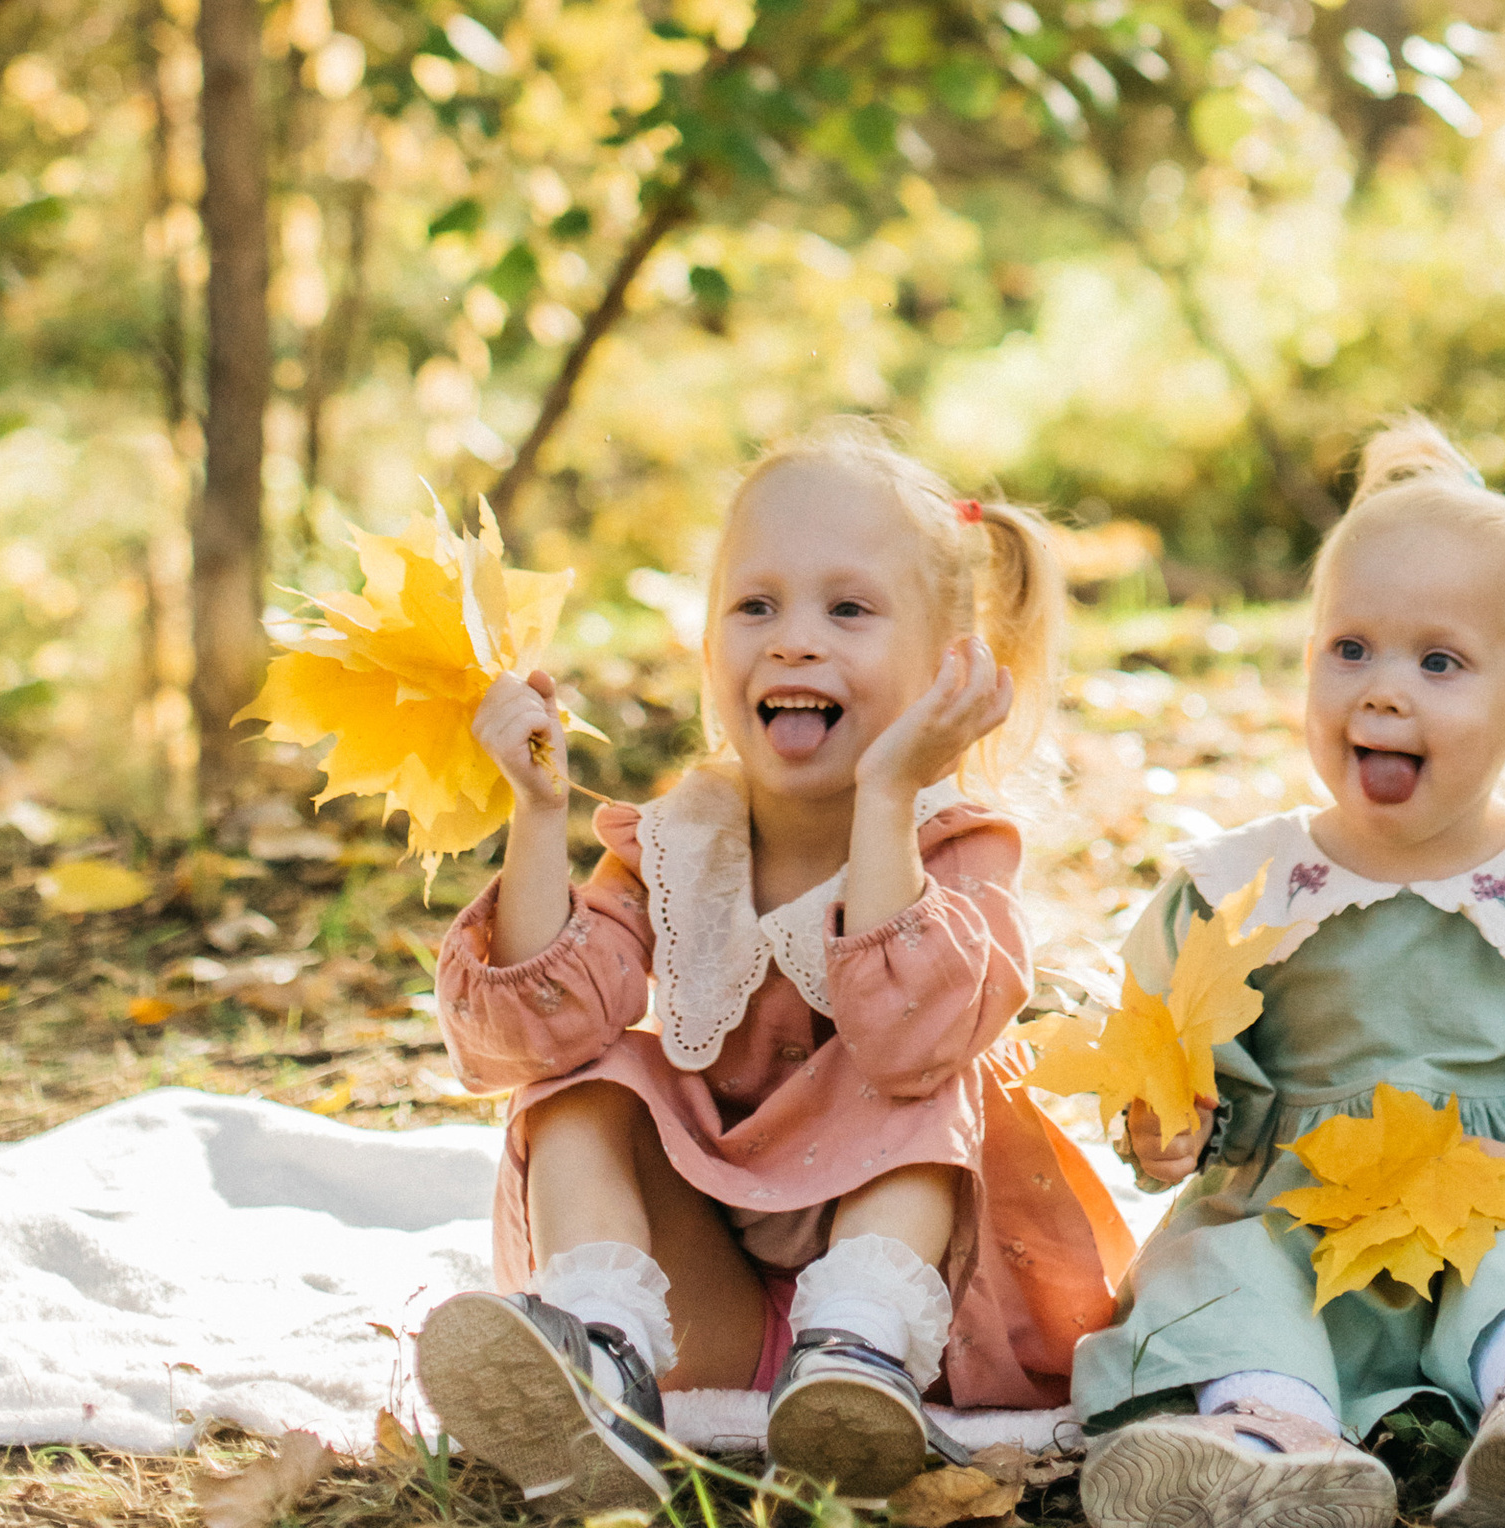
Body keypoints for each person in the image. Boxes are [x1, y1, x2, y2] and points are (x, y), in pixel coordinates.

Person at [413, 425, 1129, 1515]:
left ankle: (855, 1355)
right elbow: (533, 1035)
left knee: (926, 1073)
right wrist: (539, 816)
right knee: (586, 1081)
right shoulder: (676, 844)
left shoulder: (953, 843)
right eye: (755, 606)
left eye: (848, 610)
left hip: (925, 1320)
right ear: (709, 648)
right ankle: (602, 1356)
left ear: (946, 664)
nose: (794, 642)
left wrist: (887, 796)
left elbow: (914, 1037)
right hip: (716, 1314)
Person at [1073, 421, 1505, 1528]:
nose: (1382, 693)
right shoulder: (1244, 888)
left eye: (1439, 663)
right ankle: (1272, 1440)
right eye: (1350, 649)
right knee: (1215, 1276)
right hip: (1289, 1210)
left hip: (1498, 1196)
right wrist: (1166, 1134)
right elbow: (1176, 1083)